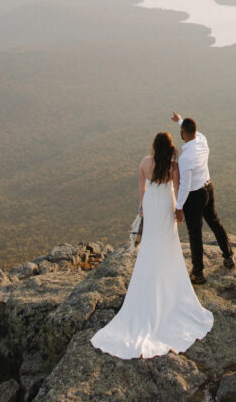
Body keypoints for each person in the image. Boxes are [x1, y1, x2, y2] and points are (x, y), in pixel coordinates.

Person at [90, 131, 213, 359]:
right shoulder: (173, 167)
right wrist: (179, 212)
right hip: (166, 204)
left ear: (154, 147)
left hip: (151, 206)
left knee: (150, 245)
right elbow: (176, 189)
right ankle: (168, 284)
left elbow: (142, 189)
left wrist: (142, 208)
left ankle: (148, 284)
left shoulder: (145, 163)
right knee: (168, 244)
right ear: (170, 147)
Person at [172, 110, 235, 284]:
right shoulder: (202, 140)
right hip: (208, 187)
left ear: (183, 134)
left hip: (194, 196)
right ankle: (229, 256)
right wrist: (180, 120)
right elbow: (195, 132)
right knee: (215, 222)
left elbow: (185, 185)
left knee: (195, 233)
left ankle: (198, 273)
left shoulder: (185, 158)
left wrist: (178, 207)